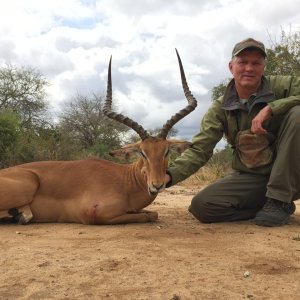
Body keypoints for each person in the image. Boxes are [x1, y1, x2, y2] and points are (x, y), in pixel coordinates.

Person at [165, 37, 300, 227]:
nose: (249, 68)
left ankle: (278, 199)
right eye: (242, 62)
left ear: (264, 67)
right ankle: (277, 205)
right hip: (255, 178)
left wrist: (272, 108)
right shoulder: (219, 108)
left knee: (298, 113)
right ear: (231, 66)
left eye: (256, 63)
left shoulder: (282, 85)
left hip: (294, 175)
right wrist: (169, 175)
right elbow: (199, 149)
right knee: (203, 206)